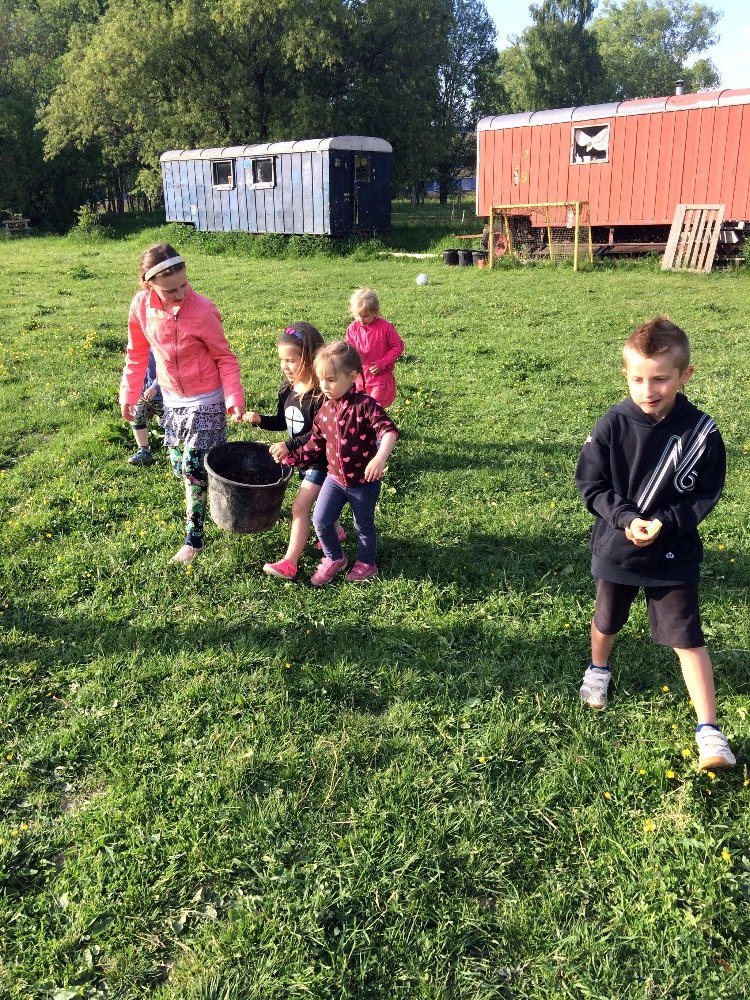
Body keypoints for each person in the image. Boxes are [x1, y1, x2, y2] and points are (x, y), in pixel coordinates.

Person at [575, 316, 735, 770]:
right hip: (617, 546)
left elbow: (705, 493)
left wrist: (665, 523)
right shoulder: (612, 423)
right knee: (607, 619)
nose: (649, 390)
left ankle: (710, 731)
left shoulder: (702, 432)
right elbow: (591, 484)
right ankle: (598, 668)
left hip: (673, 552)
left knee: (688, 636)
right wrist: (625, 518)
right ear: (625, 375)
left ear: (685, 375)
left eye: (661, 379)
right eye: (638, 379)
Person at [119, 243, 245, 564]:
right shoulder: (141, 307)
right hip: (172, 399)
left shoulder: (203, 310)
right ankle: (218, 479)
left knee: (191, 469)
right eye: (170, 290)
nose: (180, 294)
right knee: (181, 466)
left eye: (183, 285)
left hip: (207, 399)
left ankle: (194, 540)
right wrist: (129, 394)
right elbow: (136, 354)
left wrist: (233, 398)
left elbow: (225, 358)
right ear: (149, 285)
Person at [274, 341, 398, 586]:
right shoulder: (325, 411)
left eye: (331, 380)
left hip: (364, 482)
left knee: (363, 525)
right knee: (320, 520)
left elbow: (388, 431)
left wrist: (379, 457)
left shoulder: (365, 405)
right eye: (321, 379)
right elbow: (314, 445)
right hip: (334, 479)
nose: (324, 386)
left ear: (352, 377)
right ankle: (335, 557)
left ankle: (367, 563)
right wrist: (292, 457)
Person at [243, 322, 343, 580]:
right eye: (282, 360)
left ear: (309, 359)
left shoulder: (321, 396)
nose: (284, 366)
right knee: (318, 502)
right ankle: (336, 530)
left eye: (291, 360)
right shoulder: (288, 390)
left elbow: (320, 433)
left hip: (322, 462)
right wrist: (261, 420)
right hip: (302, 460)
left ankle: (290, 562)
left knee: (299, 509)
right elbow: (283, 421)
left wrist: (289, 446)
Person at [345, 287, 404, 407]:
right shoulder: (352, 328)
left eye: (366, 316)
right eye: (358, 315)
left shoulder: (385, 328)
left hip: (379, 380)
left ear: (375, 311)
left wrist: (382, 363)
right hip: (359, 380)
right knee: (358, 409)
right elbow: (349, 349)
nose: (361, 319)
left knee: (373, 409)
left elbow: (398, 346)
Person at [128, 348, 163, 466]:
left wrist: (155, 386)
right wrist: (131, 393)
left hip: (165, 396)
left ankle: (176, 450)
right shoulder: (140, 346)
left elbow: (168, 368)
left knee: (172, 426)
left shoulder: (160, 344)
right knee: (137, 415)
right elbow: (134, 369)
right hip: (143, 394)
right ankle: (144, 451)